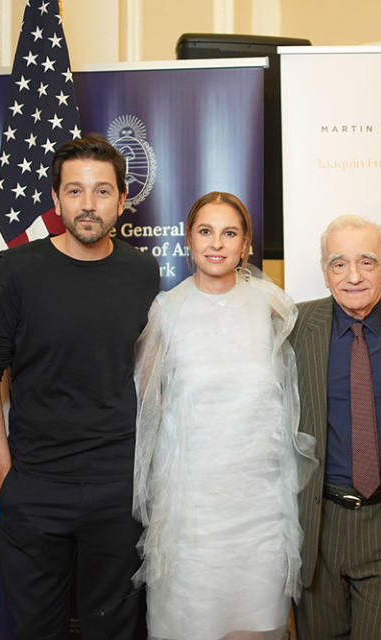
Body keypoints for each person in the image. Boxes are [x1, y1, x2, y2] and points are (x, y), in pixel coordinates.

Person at [0, 133, 160, 639]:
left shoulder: (143, 272)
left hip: (118, 487)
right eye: (75, 191)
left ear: (121, 200)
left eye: (101, 191)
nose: (88, 204)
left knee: (116, 628)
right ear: (55, 200)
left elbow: (147, 373)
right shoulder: (15, 271)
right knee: (33, 629)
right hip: (35, 484)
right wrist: (6, 477)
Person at [132, 191, 315, 640]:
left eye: (229, 233)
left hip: (260, 509)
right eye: (205, 231)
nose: (217, 243)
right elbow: (148, 414)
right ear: (188, 240)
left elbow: (296, 397)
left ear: (246, 244)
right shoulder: (166, 311)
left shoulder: (274, 308)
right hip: (191, 517)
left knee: (256, 626)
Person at [290, 214, 381, 638]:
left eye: (367, 262)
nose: (353, 276)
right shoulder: (293, 327)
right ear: (324, 270)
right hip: (318, 526)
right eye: (339, 263)